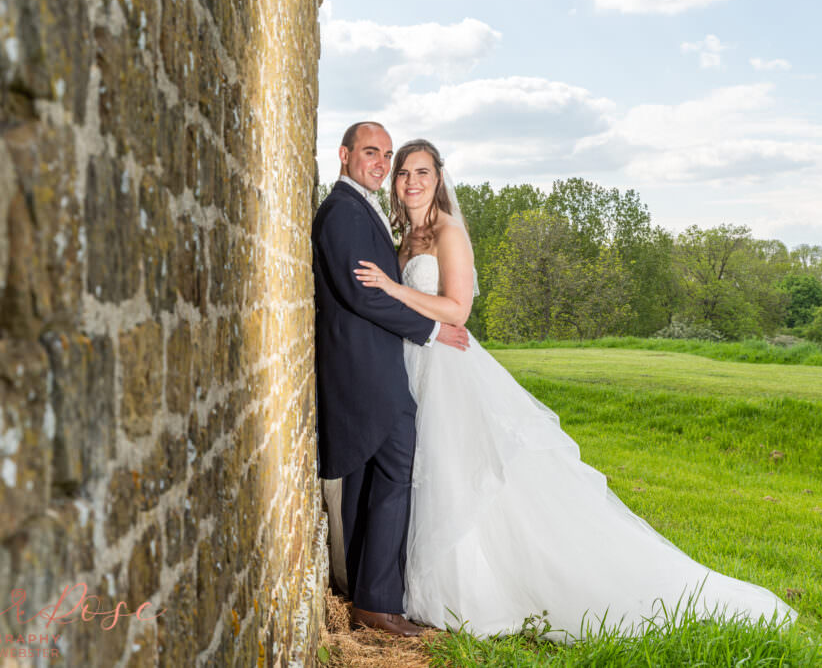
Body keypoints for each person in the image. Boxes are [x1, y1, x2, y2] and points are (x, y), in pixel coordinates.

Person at [353, 139, 795, 640]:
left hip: (448, 366)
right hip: (416, 358)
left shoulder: (449, 233)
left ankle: (481, 588)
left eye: (423, 173)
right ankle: (432, 582)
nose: (412, 182)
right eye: (404, 173)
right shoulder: (406, 236)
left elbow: (457, 310)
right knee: (427, 474)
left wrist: (391, 289)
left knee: (461, 472)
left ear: (438, 180)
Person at [311, 123, 469, 638]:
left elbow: (445, 302)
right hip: (371, 369)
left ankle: (364, 590)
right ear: (344, 155)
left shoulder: (367, 210)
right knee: (394, 474)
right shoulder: (343, 209)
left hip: (388, 365)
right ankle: (376, 603)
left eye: (389, 156)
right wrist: (429, 330)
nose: (383, 165)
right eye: (373, 154)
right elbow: (362, 295)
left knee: (375, 476)